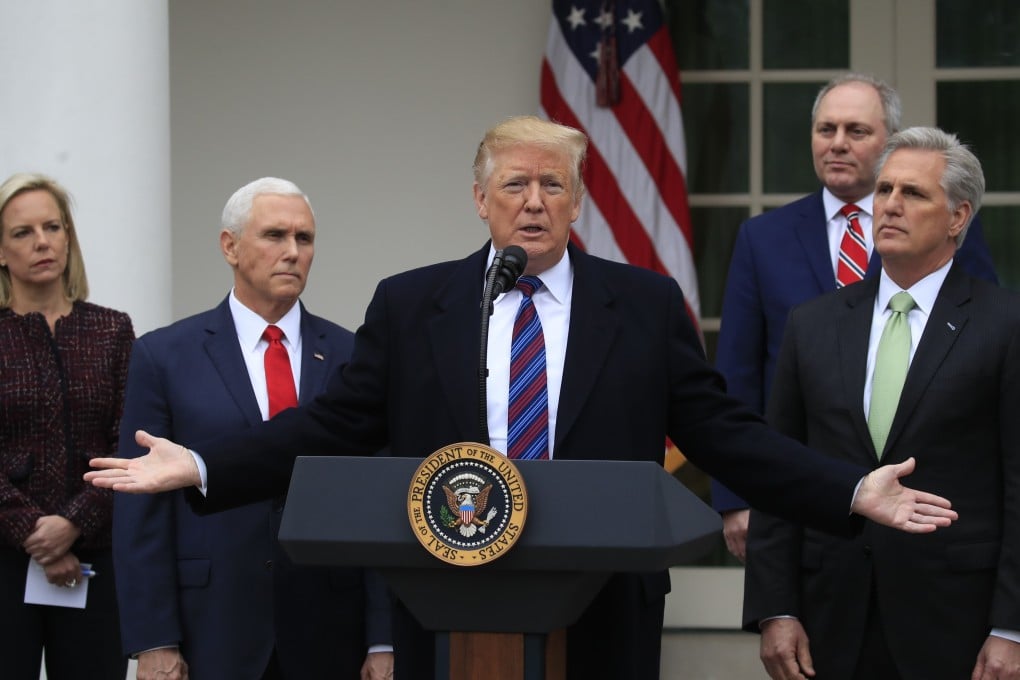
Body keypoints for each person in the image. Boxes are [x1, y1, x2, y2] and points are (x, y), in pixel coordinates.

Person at [85, 116, 958, 680]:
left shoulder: (643, 305)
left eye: (553, 186)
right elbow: (334, 423)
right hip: (449, 595)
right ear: (480, 199)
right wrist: (204, 465)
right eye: (515, 185)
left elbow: (726, 433)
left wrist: (848, 489)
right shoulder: (416, 304)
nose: (534, 203)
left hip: (603, 605)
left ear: (578, 202)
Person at [743, 127, 1020, 680]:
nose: (889, 205)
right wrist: (776, 609)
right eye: (884, 189)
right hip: (829, 618)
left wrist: (1011, 628)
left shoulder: (1005, 324)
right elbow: (779, 474)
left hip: (958, 623)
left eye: (913, 193)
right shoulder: (812, 324)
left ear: (958, 217)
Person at [112, 177, 393, 680]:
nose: (293, 252)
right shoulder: (164, 355)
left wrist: (383, 637)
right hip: (212, 624)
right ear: (230, 247)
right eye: (275, 236)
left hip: (329, 626)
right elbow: (142, 512)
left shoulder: (353, 355)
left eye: (304, 238)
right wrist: (154, 639)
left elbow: (376, 498)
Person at [710, 73, 999, 562]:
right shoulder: (763, 238)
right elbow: (737, 375)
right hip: (798, 484)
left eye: (857, 131)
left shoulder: (940, 228)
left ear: (891, 141)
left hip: (922, 489)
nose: (838, 143)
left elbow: (982, 341)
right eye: (826, 129)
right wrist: (736, 495)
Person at [0, 173, 132, 679]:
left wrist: (73, 522)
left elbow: (129, 443)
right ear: (1, 251)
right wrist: (34, 532)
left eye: (52, 227)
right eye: (23, 232)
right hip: (4, 558)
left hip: (96, 557)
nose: (42, 242)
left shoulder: (111, 330)